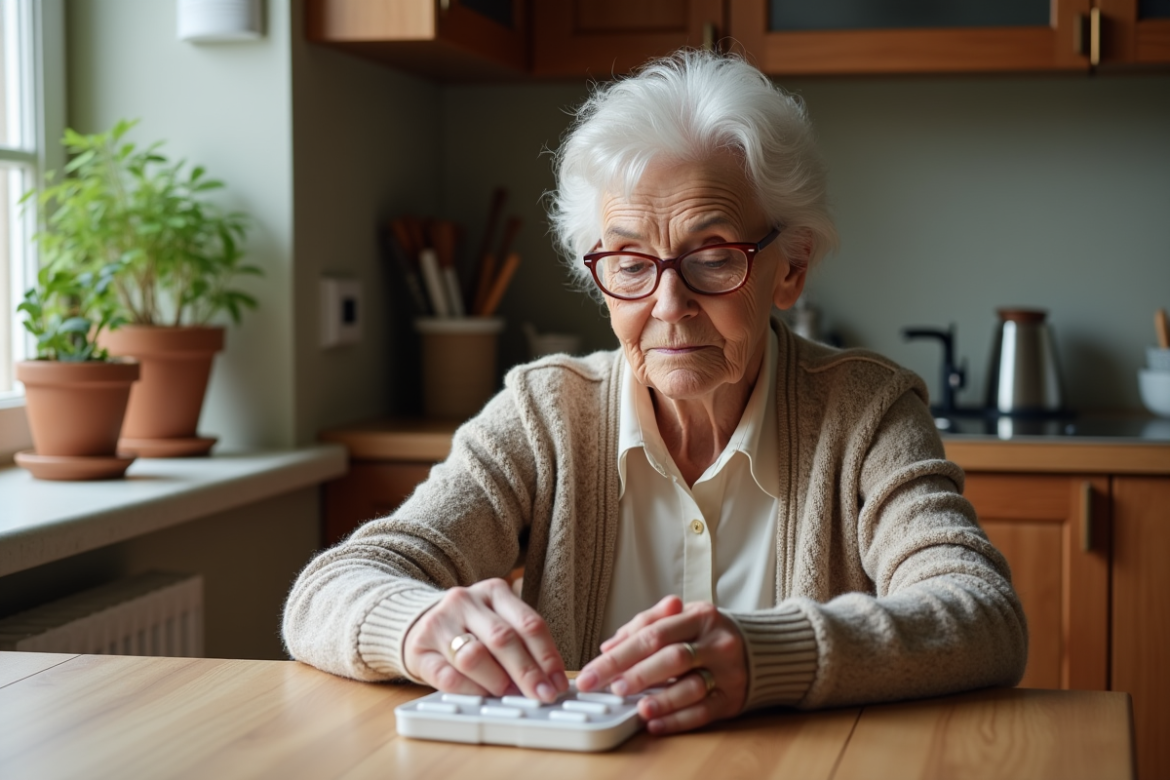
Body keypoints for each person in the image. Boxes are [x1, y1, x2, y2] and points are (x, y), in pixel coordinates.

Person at [283, 50, 1026, 736]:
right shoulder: (545, 416)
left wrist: (768, 654)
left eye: (710, 257)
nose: (668, 305)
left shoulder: (867, 413)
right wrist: (421, 627)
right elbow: (326, 592)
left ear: (790, 267)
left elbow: (982, 612)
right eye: (631, 263)